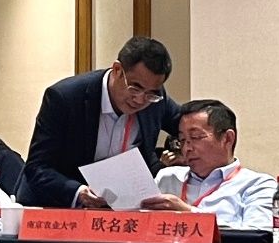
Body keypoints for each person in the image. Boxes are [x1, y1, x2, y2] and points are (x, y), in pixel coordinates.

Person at [24, 36, 181, 209]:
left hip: (120, 209)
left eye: (150, 93)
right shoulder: (65, 98)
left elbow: (188, 123)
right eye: (135, 88)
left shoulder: (156, 100)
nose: (140, 99)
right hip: (58, 205)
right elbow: (37, 167)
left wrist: (186, 151)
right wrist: (78, 192)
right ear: (117, 70)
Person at [140, 100, 276, 229]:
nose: (187, 148)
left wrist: (189, 214)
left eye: (196, 137)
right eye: (182, 140)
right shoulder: (167, 178)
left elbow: (259, 235)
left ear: (227, 138)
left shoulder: (257, 185)